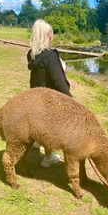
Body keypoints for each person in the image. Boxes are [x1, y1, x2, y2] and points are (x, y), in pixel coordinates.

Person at [27, 19, 72, 167]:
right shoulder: (51, 55)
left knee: (40, 123)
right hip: (48, 99)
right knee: (50, 128)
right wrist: (70, 101)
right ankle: (48, 157)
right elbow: (59, 81)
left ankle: (36, 142)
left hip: (35, 96)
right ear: (48, 35)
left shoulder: (32, 54)